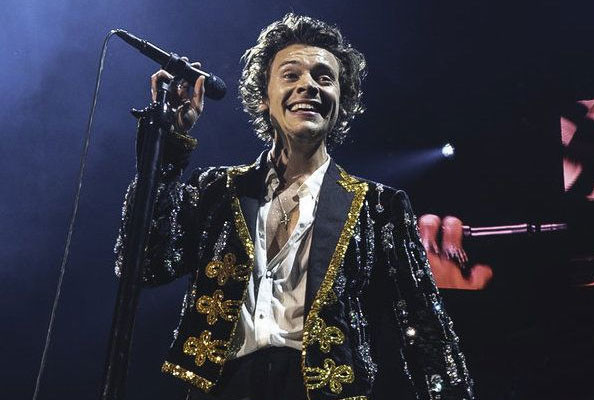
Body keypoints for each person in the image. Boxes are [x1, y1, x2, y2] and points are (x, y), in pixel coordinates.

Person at [114, 13, 474, 400]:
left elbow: (427, 331)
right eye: (290, 75)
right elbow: (146, 265)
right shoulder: (217, 190)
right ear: (264, 98)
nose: (308, 86)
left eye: (324, 77)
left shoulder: (379, 207)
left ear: (341, 101)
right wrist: (167, 148)